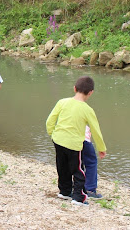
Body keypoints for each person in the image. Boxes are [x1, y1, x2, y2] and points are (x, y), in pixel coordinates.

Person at [45, 76, 107, 206]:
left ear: (74, 88)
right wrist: (101, 148)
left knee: (62, 167)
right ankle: (78, 197)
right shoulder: (87, 110)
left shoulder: (62, 102)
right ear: (90, 92)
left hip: (58, 140)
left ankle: (64, 191)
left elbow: (50, 120)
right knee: (78, 170)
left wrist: (52, 134)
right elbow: (95, 130)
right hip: (74, 144)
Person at [82, 125, 102, 198]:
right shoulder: (87, 115)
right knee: (91, 163)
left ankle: (67, 189)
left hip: (66, 140)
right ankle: (89, 189)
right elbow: (96, 130)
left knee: (74, 162)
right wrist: (101, 147)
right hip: (83, 138)